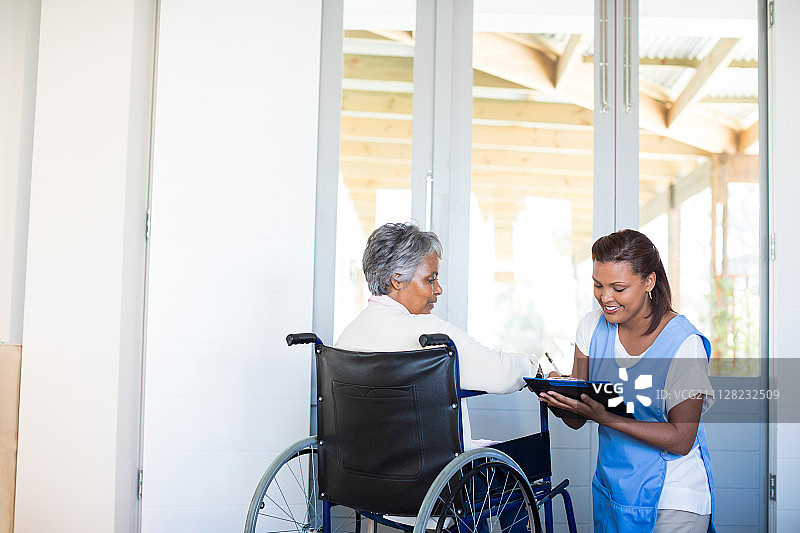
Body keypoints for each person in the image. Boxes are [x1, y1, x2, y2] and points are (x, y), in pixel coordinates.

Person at [538, 229, 715, 533]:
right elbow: (578, 419)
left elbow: (682, 439)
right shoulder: (591, 327)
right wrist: (558, 395)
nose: (605, 298)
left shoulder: (683, 343)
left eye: (618, 288)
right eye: (598, 285)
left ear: (649, 282)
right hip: (614, 490)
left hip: (673, 497)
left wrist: (607, 418)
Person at [335, 221, 545, 449]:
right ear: (397, 280)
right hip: (430, 465)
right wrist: (532, 367)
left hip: (363, 465)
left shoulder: (347, 338)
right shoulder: (429, 335)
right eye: (430, 279)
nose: (438, 289)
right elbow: (500, 374)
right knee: (527, 454)